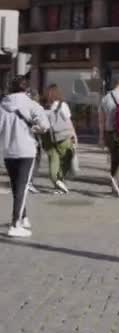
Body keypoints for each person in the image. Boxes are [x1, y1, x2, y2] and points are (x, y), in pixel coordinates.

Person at [0, 76, 49, 237]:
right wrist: (35, 129)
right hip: (26, 150)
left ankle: (24, 217)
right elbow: (45, 126)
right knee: (23, 186)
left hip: (8, 150)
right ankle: (15, 224)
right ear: (26, 89)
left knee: (16, 186)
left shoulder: (3, 105)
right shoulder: (31, 104)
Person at [41, 84, 77, 194]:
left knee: (53, 160)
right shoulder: (62, 105)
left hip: (48, 137)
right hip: (63, 136)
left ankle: (56, 181)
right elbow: (68, 121)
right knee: (66, 159)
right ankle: (60, 179)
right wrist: (74, 135)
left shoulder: (43, 106)